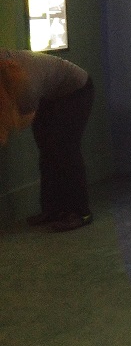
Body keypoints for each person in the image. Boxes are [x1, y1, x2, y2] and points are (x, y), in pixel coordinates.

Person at [0, 49, 94, 232]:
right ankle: (52, 210)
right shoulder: (5, 64)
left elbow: (18, 123)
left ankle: (81, 213)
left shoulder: (26, 87)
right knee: (46, 150)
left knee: (66, 150)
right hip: (50, 94)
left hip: (77, 90)